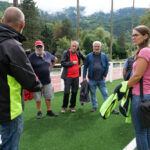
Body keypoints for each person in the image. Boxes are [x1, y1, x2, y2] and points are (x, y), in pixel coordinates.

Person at [0, 7, 42, 150]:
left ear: (2, 21)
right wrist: (38, 85)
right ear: (22, 25)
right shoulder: (12, 46)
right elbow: (31, 82)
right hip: (8, 110)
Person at [125, 25, 150, 150]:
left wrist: (123, 87)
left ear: (145, 36)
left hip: (140, 97)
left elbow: (137, 75)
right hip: (147, 95)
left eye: (136, 35)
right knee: (147, 130)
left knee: (140, 131)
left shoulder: (145, 51)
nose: (133, 37)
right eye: (132, 35)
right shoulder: (145, 51)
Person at [83, 41, 119, 114]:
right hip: (92, 79)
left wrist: (105, 75)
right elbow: (85, 67)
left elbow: (107, 65)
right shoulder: (88, 56)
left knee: (105, 94)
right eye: (95, 46)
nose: (96, 47)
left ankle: (110, 108)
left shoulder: (104, 55)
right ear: (93, 47)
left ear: (100, 47)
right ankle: (94, 106)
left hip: (101, 79)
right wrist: (84, 77)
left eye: (98, 46)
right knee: (93, 94)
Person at [29, 40, 58, 119]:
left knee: (48, 97)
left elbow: (55, 59)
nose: (39, 48)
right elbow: (28, 67)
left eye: (40, 46)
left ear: (43, 47)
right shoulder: (31, 56)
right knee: (38, 98)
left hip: (47, 80)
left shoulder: (47, 54)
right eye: (37, 47)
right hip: (36, 81)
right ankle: (39, 111)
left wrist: (51, 67)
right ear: (35, 47)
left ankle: (49, 111)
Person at [61, 40, 85, 113]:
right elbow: (62, 63)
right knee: (67, 92)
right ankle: (64, 107)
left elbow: (85, 58)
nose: (74, 47)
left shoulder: (78, 53)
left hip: (76, 76)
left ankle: (72, 106)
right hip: (68, 76)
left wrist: (81, 65)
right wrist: (72, 63)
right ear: (70, 46)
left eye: (75, 46)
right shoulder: (66, 53)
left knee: (74, 92)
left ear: (77, 47)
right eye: (73, 46)